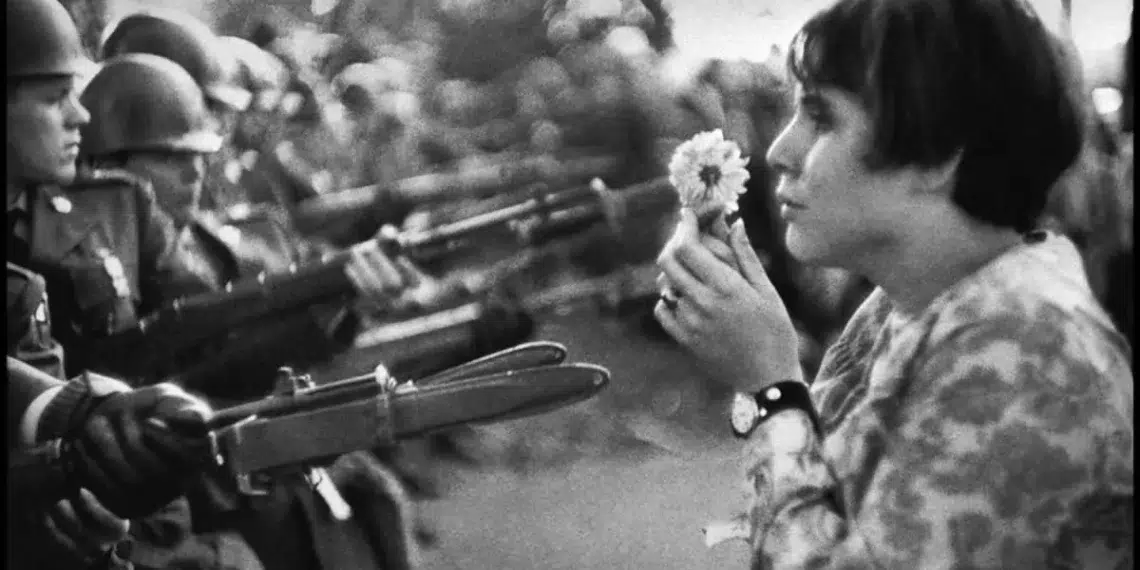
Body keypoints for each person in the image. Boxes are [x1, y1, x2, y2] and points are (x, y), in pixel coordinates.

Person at [654, 0, 1133, 567]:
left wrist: (770, 389)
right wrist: (762, 370)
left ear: (937, 154)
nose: (781, 152)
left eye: (823, 118)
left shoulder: (1027, 348)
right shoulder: (912, 303)